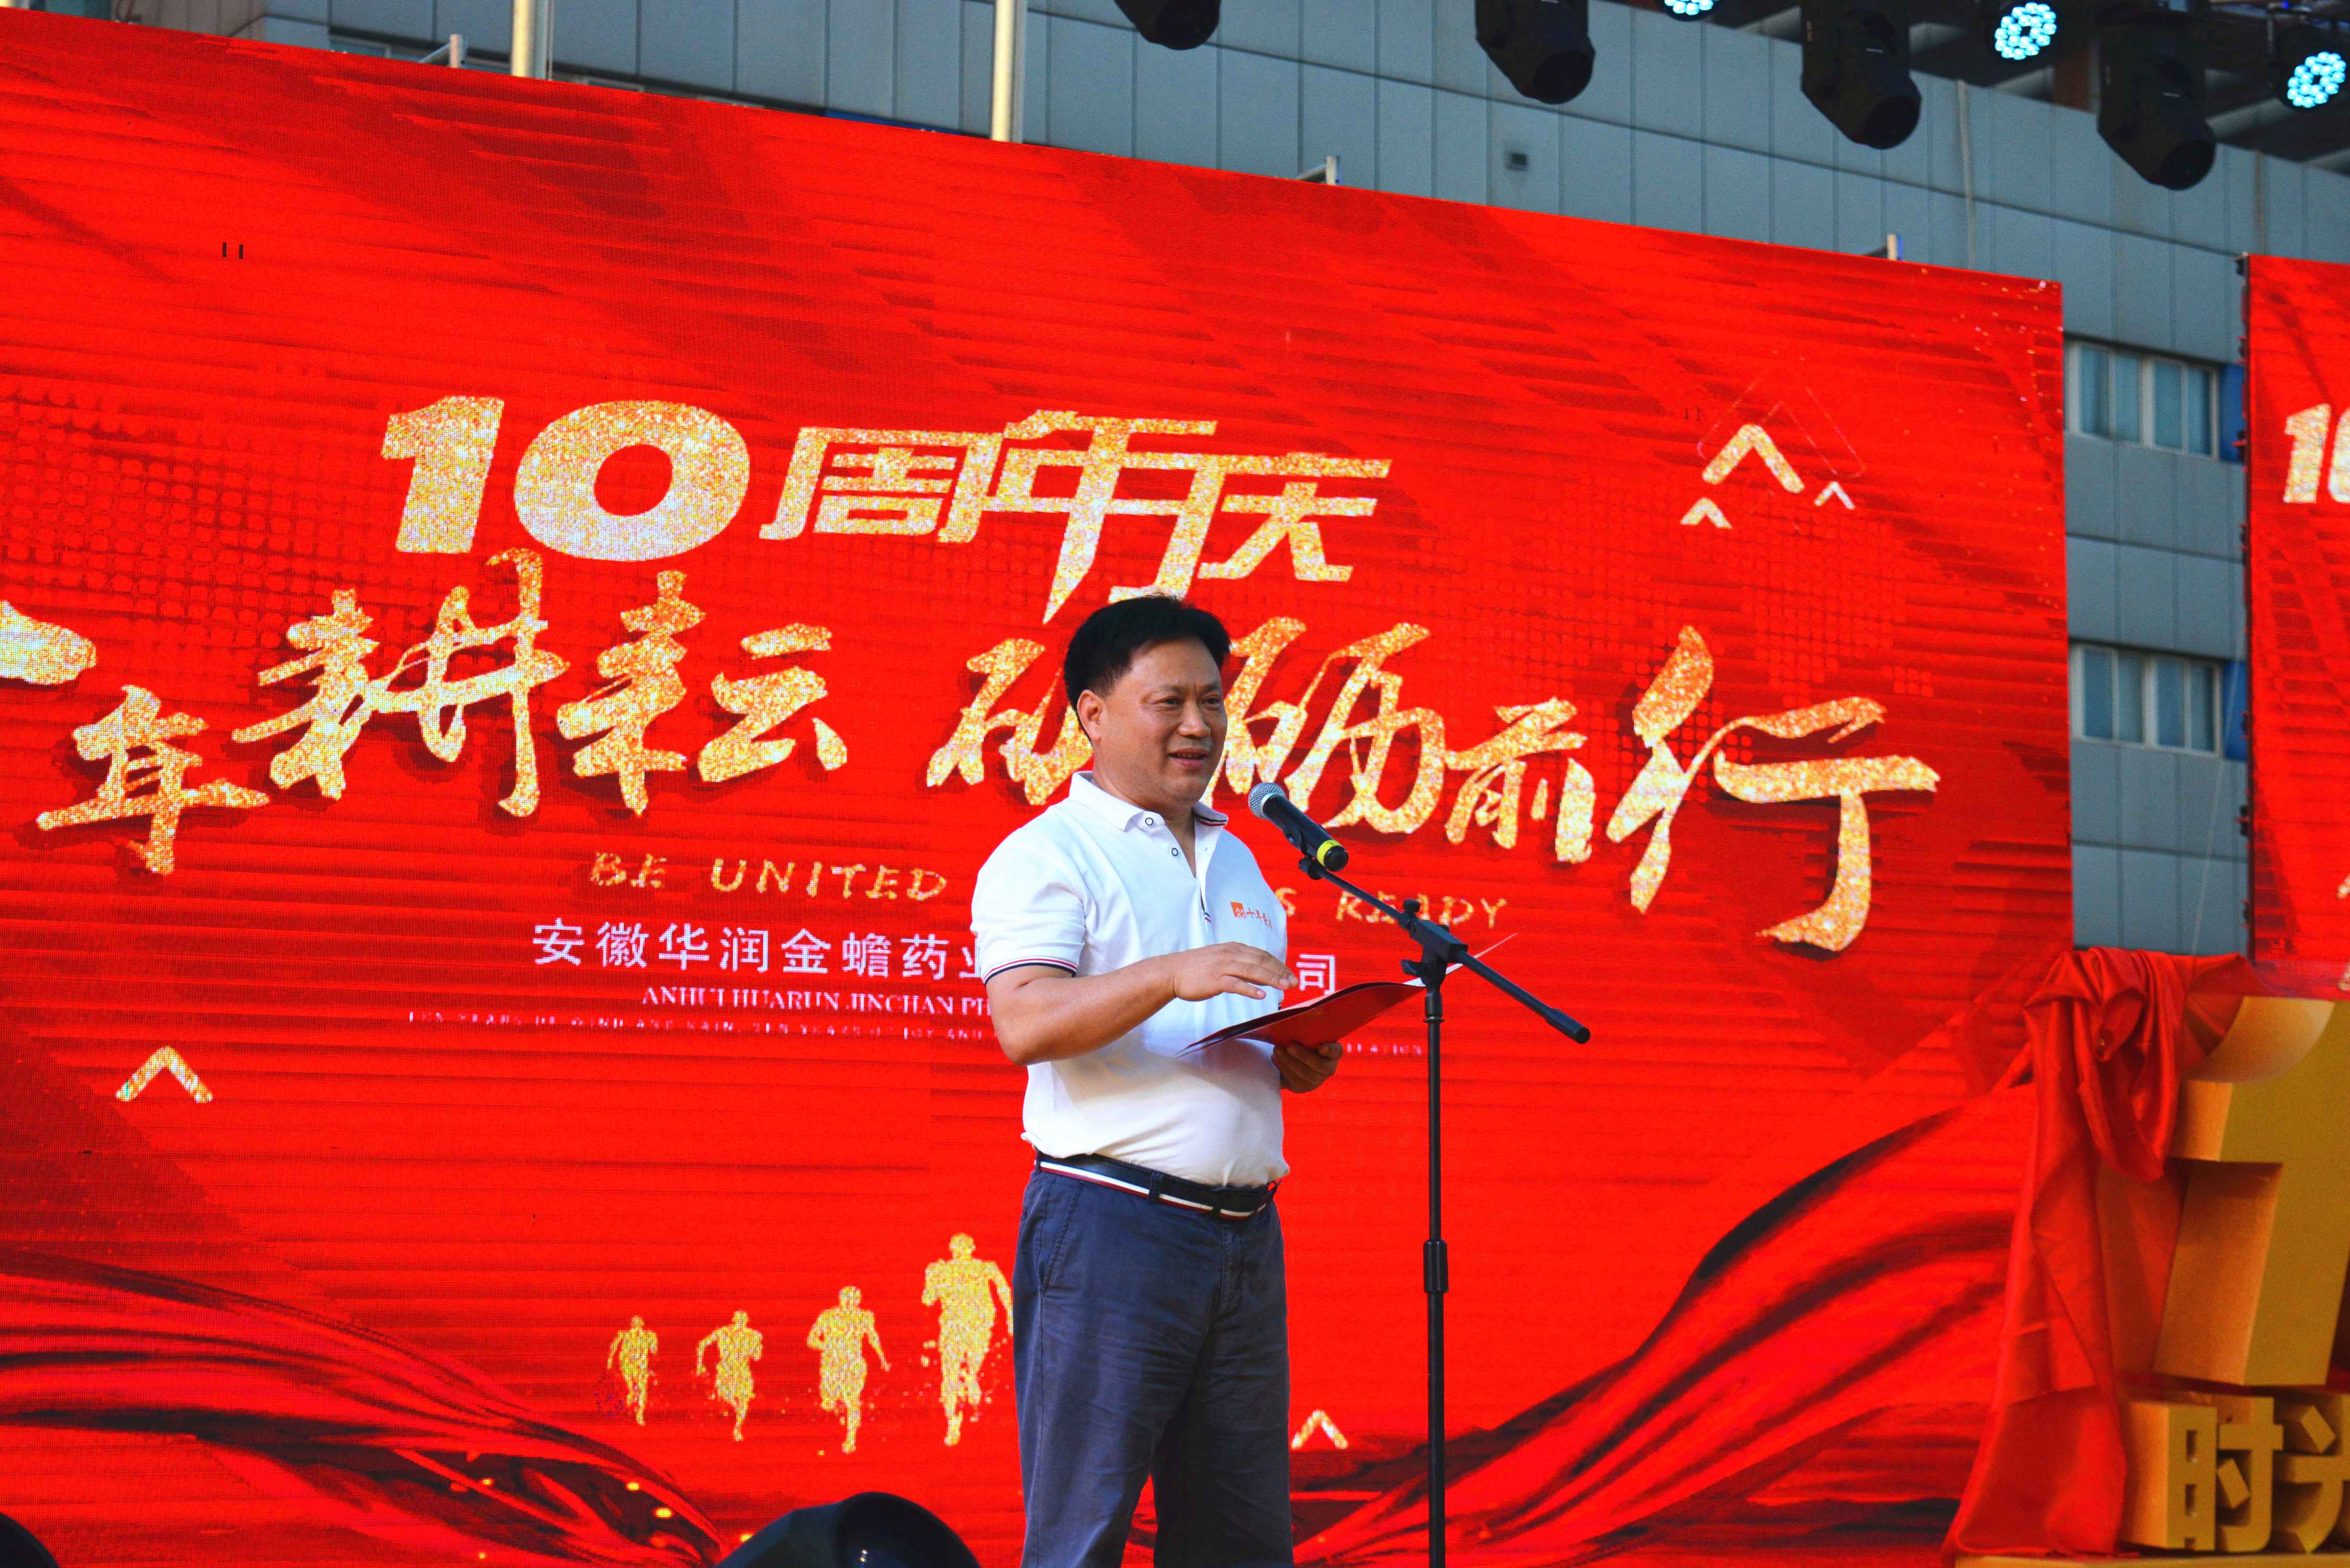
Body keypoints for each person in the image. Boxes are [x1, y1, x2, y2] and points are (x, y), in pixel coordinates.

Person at [971, 594, 1343, 1568]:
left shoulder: (1243, 858)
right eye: (1168, 702)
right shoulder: (1048, 853)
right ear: (1093, 715)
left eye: (1212, 701)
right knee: (1082, 1534)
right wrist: (1171, 973)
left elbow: (1219, 1035)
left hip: (1245, 1236)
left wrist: (1296, 1057)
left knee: (1240, 1540)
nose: (1198, 726)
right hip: (1111, 1227)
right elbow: (1026, 1022)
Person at [923, 1232, 1015, 1446]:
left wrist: (1010, 1317)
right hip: (953, 1327)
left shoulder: (985, 1267)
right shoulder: (942, 1270)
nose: (961, 1251)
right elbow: (928, 1299)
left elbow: (1003, 1288)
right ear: (952, 1250)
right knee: (950, 1373)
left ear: (972, 1248)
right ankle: (953, 1422)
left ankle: (972, 1381)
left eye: (964, 1247)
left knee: (972, 1367)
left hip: (978, 1326)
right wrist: (930, 1278)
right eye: (957, 1247)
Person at [805, 1285, 889, 1454]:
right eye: (847, 1299)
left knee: (852, 1401)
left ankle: (851, 1439)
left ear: (859, 1301)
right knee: (829, 1403)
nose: (850, 1303)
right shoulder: (828, 1316)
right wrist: (827, 1347)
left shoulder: (863, 1317)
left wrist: (883, 1359)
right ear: (841, 1299)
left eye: (854, 1300)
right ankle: (832, 1406)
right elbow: (811, 1339)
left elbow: (873, 1338)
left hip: (853, 1365)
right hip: (832, 1365)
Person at [694, 1310, 764, 1442]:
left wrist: (756, 1351)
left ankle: (737, 1428)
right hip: (726, 1371)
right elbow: (702, 1345)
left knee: (744, 1400)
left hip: (743, 1372)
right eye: (739, 1320)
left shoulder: (754, 1336)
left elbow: (757, 1357)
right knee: (725, 1395)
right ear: (734, 1320)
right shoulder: (723, 1333)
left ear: (747, 1321)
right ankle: (734, 1411)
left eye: (743, 1320)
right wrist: (699, 1365)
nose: (741, 1323)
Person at [606, 1314, 659, 1425]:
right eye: (634, 1323)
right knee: (631, 1387)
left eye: (639, 1323)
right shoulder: (624, 1334)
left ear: (642, 1324)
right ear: (631, 1324)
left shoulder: (648, 1336)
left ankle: (640, 1414)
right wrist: (610, 1360)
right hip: (627, 1365)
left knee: (642, 1389)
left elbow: (654, 1351)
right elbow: (614, 1347)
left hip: (641, 1366)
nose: (636, 1325)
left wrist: (654, 1340)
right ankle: (631, 1397)